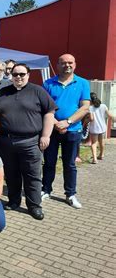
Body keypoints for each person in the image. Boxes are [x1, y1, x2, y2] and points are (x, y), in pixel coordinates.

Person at [0, 64, 56, 220]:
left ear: (28, 74)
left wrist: (46, 135)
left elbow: (49, 112)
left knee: (32, 175)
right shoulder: (2, 92)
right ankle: (14, 201)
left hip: (30, 142)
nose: (18, 77)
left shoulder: (38, 91)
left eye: (22, 74)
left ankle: (34, 205)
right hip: (6, 142)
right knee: (11, 173)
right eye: (15, 74)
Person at [42, 54, 90, 209]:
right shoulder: (48, 83)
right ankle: (46, 190)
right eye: (63, 63)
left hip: (73, 130)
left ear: (75, 65)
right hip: (52, 129)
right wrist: (56, 123)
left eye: (70, 63)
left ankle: (70, 194)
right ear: (57, 65)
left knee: (69, 164)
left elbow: (85, 107)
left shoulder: (82, 83)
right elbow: (44, 106)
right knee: (49, 162)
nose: (67, 65)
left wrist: (67, 122)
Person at [89, 92, 113, 164]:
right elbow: (109, 116)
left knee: (94, 143)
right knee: (101, 141)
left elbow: (91, 118)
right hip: (102, 127)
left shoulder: (90, 108)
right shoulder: (103, 106)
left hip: (94, 127)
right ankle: (101, 155)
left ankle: (95, 159)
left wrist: (86, 119)